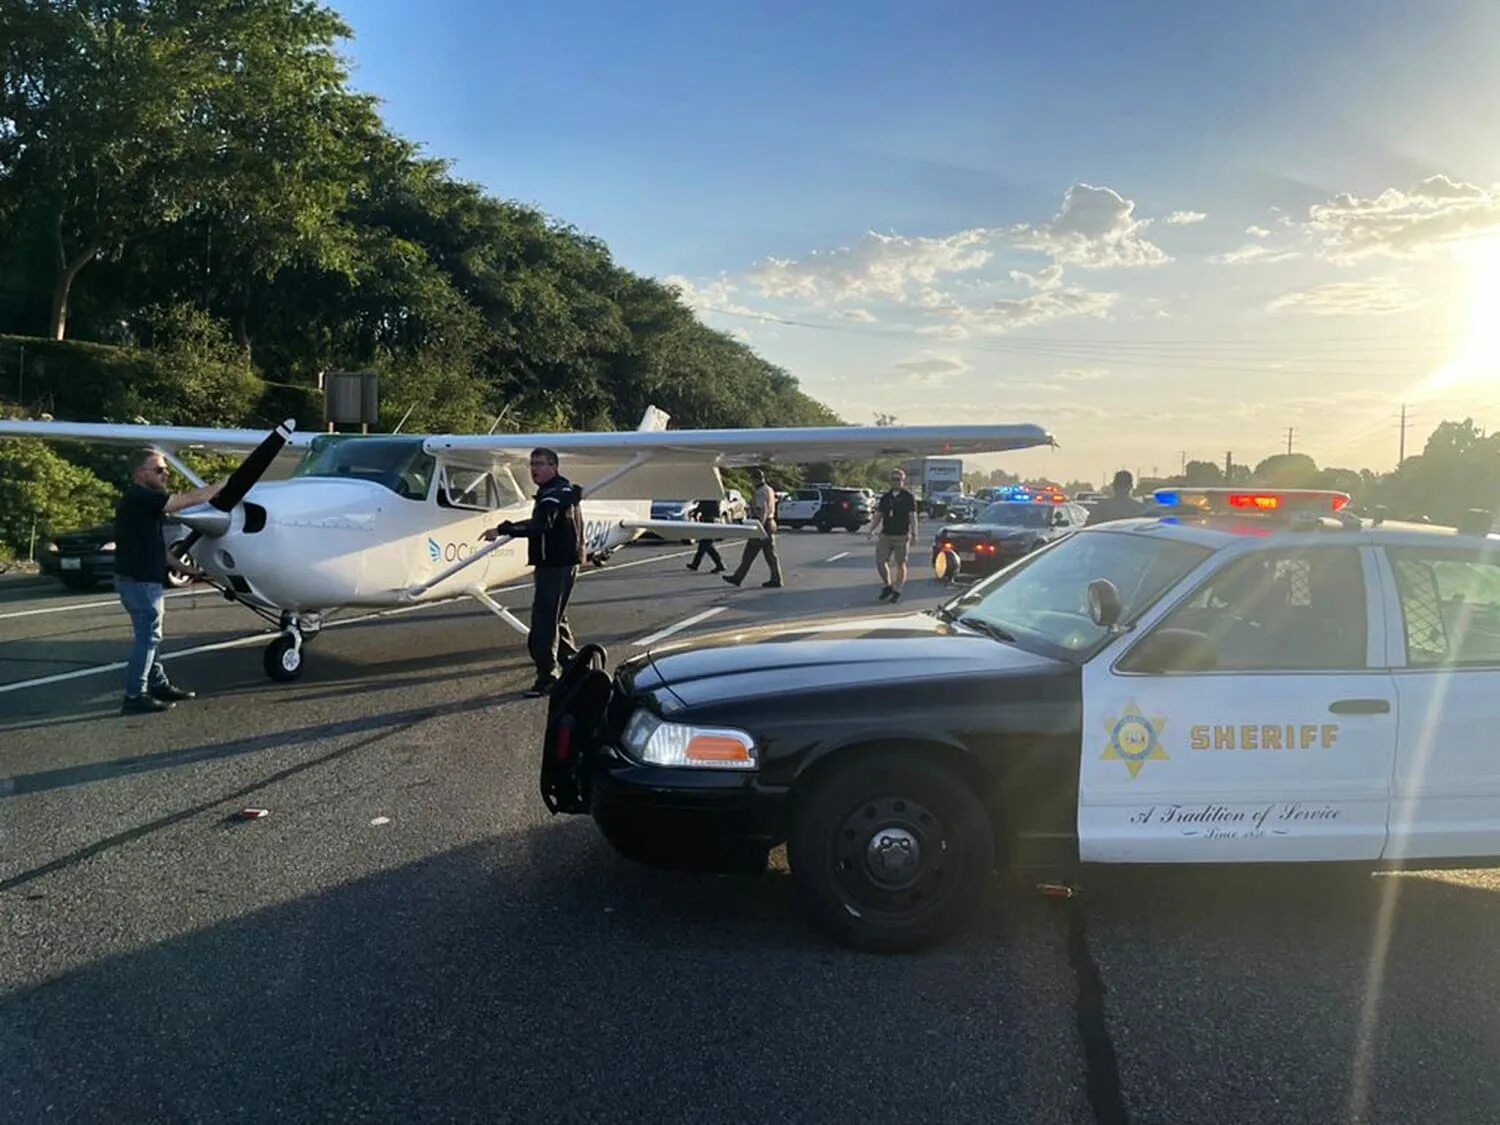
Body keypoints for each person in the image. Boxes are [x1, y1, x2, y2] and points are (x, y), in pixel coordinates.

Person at [115, 448, 223, 714]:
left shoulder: (143, 503)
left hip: (141, 581)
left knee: (150, 636)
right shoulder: (141, 498)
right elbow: (181, 501)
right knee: (148, 637)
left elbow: (158, 548)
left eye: (166, 470)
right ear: (141, 473)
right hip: (140, 582)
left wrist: (189, 570)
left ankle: (157, 684)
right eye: (160, 470)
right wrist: (219, 487)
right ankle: (134, 695)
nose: (166, 474)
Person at [482, 447, 585, 697]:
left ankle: (547, 676)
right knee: (556, 616)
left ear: (554, 467)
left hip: (557, 563)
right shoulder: (555, 492)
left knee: (543, 619)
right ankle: (573, 665)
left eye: (540, 464)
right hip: (557, 562)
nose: (534, 469)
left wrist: (506, 529)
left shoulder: (554, 495)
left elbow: (541, 525)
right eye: (532, 464)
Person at [723, 469, 784, 589]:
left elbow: (762, 510)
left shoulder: (760, 492)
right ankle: (776, 578)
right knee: (770, 555)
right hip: (770, 523)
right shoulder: (769, 489)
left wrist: (758, 528)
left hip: (762, 524)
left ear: (755, 479)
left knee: (749, 554)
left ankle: (738, 578)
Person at [868, 468, 919, 603]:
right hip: (886, 535)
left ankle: (897, 590)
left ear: (903, 481)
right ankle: (887, 585)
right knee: (880, 561)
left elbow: (912, 516)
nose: (895, 482)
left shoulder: (908, 497)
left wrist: (914, 533)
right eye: (893, 479)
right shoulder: (886, 497)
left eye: (898, 479)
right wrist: (871, 529)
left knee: (900, 563)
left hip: (901, 535)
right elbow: (879, 514)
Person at [685, 498, 725, 573]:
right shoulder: (712, 499)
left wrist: (695, 513)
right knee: (705, 545)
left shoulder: (708, 500)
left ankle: (720, 565)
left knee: (706, 545)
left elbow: (701, 507)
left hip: (709, 522)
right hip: (710, 522)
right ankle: (695, 564)